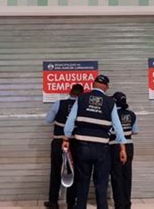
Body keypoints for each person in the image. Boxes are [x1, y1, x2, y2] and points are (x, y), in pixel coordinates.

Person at [63, 75, 127, 209]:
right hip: (102, 149)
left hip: (82, 147)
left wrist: (66, 138)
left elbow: (70, 121)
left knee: (82, 182)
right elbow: (118, 127)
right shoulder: (110, 103)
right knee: (101, 184)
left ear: (93, 84)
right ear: (106, 87)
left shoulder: (81, 98)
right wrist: (122, 148)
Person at [44, 84, 85, 209]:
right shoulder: (83, 106)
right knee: (74, 172)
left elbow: (48, 120)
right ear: (82, 94)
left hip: (59, 142)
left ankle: (53, 202)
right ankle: (71, 204)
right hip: (76, 143)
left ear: (70, 92)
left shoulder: (58, 103)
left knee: (56, 171)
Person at [109, 92, 139, 209]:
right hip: (129, 146)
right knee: (127, 176)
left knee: (116, 176)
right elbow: (135, 131)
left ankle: (119, 204)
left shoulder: (112, 114)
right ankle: (127, 204)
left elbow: (110, 131)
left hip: (115, 146)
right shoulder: (132, 114)